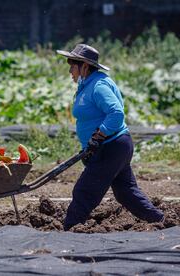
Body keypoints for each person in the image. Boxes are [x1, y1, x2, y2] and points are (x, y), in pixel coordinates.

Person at [56, 44, 164, 231]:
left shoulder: (98, 85)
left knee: (84, 191)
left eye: (72, 65)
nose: (69, 70)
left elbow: (116, 113)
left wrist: (98, 136)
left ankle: (70, 230)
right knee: (125, 192)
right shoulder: (87, 83)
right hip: (112, 147)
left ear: (84, 66)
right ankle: (161, 221)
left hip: (110, 146)